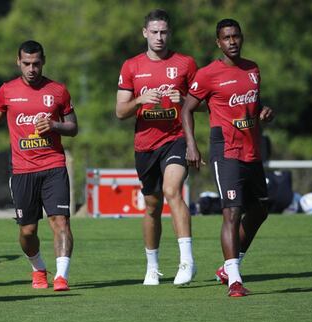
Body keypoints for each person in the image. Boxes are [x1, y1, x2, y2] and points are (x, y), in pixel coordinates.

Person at [0, 40, 78, 291]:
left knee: (60, 221)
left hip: (53, 166)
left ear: (44, 61)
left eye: (36, 63)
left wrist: (54, 125)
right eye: (27, 63)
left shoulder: (58, 91)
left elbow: (73, 127)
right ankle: (38, 267)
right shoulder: (7, 91)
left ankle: (61, 276)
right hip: (22, 171)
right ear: (18, 62)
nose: (32, 69)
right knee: (28, 231)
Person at [181, 19, 274, 297]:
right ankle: (234, 279)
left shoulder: (253, 69)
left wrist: (265, 112)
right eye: (226, 37)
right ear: (218, 42)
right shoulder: (208, 74)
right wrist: (191, 146)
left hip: (252, 149)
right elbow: (187, 109)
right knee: (232, 211)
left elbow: (252, 105)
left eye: (235, 36)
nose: (231, 41)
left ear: (241, 38)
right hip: (226, 150)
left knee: (260, 209)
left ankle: (227, 267)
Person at [115, 9, 197, 286]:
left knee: (171, 190)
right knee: (151, 206)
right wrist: (139, 100)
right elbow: (120, 111)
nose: (159, 37)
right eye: (154, 32)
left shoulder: (185, 64)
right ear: (145, 33)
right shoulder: (131, 66)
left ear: (169, 33)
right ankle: (152, 266)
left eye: (164, 32)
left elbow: (206, 104)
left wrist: (184, 98)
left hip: (176, 140)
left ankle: (187, 261)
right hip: (145, 145)